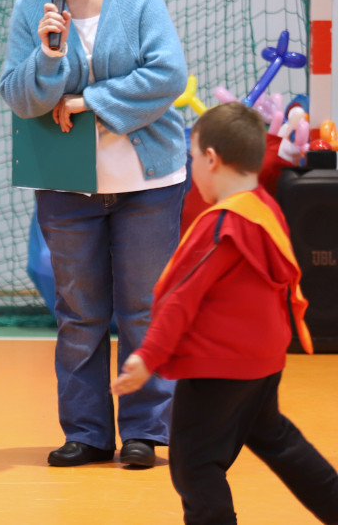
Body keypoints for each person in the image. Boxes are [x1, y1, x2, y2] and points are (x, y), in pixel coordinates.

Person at [0, 0, 188, 468]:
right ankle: (86, 432)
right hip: (67, 186)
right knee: (78, 316)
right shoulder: (34, 7)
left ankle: (145, 431)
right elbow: (17, 94)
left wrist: (90, 102)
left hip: (148, 183)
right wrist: (49, 57)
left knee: (143, 310)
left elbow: (169, 75)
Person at [112, 102, 338, 524]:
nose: (193, 166)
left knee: (194, 464)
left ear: (211, 159)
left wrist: (147, 357)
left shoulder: (221, 226)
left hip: (220, 368)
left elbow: (180, 297)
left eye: (192, 156)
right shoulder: (266, 209)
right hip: (264, 362)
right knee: (277, 439)